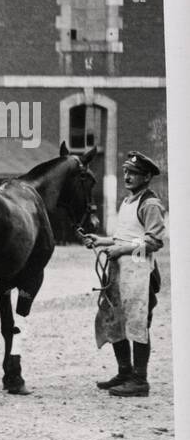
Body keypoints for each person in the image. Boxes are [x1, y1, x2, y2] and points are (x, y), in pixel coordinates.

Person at [83, 151, 167, 397]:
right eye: (126, 172)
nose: (128, 177)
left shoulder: (150, 203)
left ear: (147, 177)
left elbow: (153, 242)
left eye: (134, 173)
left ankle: (140, 381)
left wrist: (122, 249)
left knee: (137, 322)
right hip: (120, 272)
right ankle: (125, 372)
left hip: (141, 273)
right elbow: (124, 236)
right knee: (113, 318)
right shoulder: (128, 201)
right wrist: (102, 241)